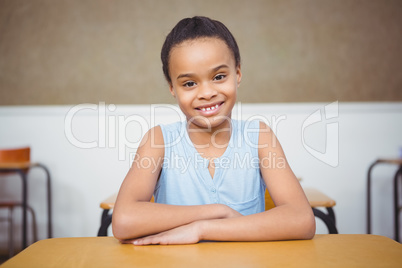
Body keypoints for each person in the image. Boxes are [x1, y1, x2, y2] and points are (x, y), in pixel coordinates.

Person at [112, 16, 315, 245]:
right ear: (172, 88)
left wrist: (201, 229)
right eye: (189, 83)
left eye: (219, 77)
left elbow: (301, 219)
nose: (206, 93)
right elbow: (123, 220)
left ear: (237, 74)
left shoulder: (259, 137)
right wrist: (217, 211)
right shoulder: (158, 140)